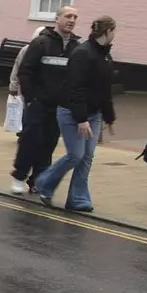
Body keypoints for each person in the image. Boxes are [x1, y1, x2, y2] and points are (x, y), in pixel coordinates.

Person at [35, 16, 117, 213]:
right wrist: (81, 119)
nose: (115, 35)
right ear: (106, 32)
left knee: (87, 156)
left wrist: (109, 117)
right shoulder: (83, 53)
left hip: (94, 114)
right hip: (71, 112)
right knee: (76, 155)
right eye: (114, 31)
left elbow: (105, 89)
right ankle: (44, 182)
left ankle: (77, 199)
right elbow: (76, 88)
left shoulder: (105, 56)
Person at [11, 6, 80, 195]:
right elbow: (25, 71)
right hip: (38, 102)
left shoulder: (76, 48)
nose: (72, 20)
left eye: (75, 17)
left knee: (49, 142)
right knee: (31, 138)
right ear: (57, 18)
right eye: (68, 16)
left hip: (60, 106)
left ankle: (38, 180)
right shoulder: (41, 43)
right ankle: (19, 175)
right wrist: (31, 98)